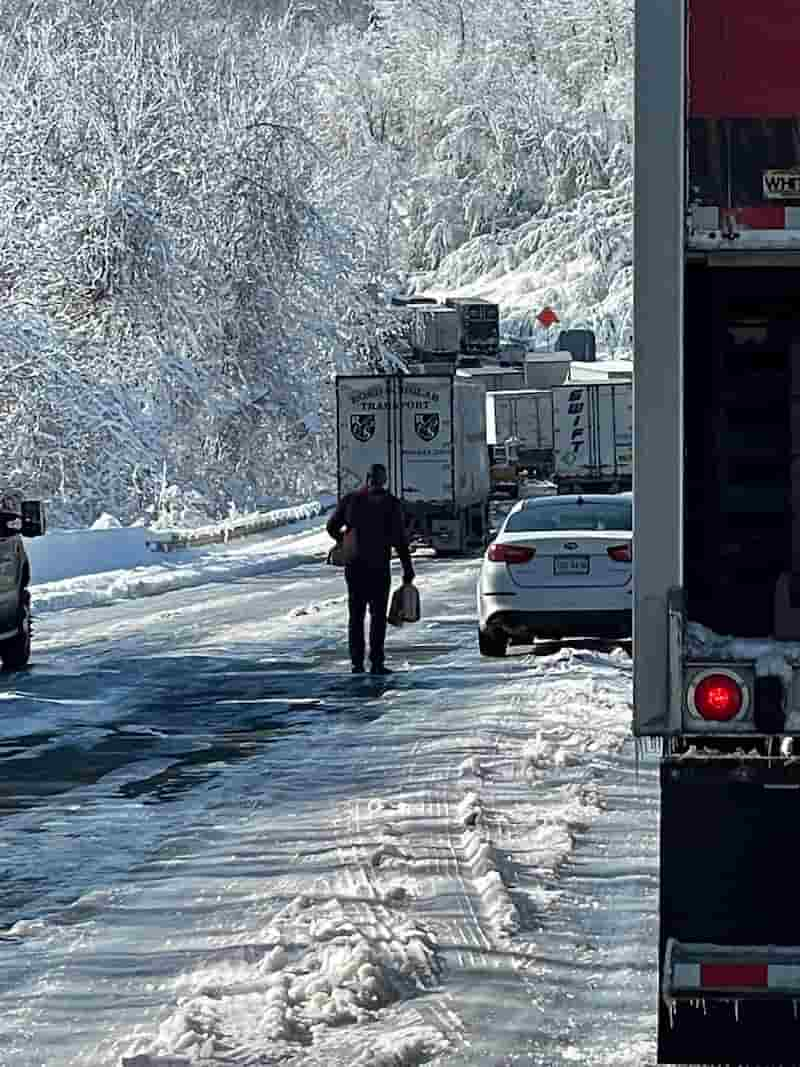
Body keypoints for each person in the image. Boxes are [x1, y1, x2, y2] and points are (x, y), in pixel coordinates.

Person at [327, 463, 415, 674]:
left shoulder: (350, 500)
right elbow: (400, 539)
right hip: (378, 567)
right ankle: (376, 662)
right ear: (384, 480)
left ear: (367, 478)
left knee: (355, 616)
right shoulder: (391, 503)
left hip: (355, 567)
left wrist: (345, 540)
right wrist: (407, 568)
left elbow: (331, 527)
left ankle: (356, 663)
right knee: (377, 615)